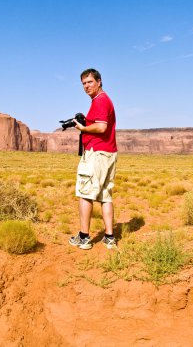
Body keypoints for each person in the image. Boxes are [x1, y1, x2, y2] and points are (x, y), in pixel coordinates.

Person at [69, 68, 118, 250]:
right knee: (105, 195)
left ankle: (84, 237)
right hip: (108, 153)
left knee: (85, 193)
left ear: (99, 81)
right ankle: (109, 237)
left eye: (89, 82)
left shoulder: (101, 100)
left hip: (97, 153)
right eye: (83, 83)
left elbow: (102, 127)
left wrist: (82, 128)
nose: (86, 86)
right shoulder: (103, 100)